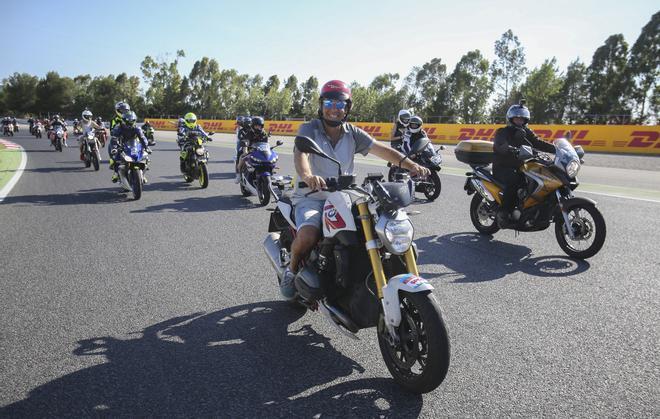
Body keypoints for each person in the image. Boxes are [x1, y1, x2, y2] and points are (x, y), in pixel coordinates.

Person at [279, 79, 431, 299]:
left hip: (344, 196)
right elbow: (300, 155)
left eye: (340, 104)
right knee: (309, 234)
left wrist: (411, 165)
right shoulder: (309, 129)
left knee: (376, 225)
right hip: (312, 196)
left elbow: (383, 151)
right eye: (329, 102)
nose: (334, 108)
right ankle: (291, 270)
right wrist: (309, 176)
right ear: (321, 105)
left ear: (347, 109)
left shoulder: (353, 133)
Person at [493, 100, 556, 227]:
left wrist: (557, 149)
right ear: (511, 119)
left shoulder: (527, 132)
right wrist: (507, 147)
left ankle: (529, 209)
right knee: (514, 181)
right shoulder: (502, 132)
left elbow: (538, 143)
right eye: (517, 119)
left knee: (540, 177)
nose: (520, 121)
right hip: (503, 167)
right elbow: (498, 146)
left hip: (521, 166)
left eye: (522, 119)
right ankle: (503, 212)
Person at [109, 111, 151, 183]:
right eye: (129, 121)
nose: (130, 123)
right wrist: (114, 147)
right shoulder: (119, 128)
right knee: (116, 157)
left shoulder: (137, 128)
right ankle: (116, 173)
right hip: (122, 145)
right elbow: (114, 138)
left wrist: (146, 147)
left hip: (134, 145)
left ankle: (143, 175)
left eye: (132, 121)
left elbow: (142, 137)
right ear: (124, 120)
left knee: (146, 157)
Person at [235, 116, 269, 182]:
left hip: (260, 150)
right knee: (241, 156)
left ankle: (270, 171)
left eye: (259, 126)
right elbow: (246, 142)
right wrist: (245, 151)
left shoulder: (264, 133)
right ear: (253, 126)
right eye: (256, 126)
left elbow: (267, 144)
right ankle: (238, 173)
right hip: (250, 150)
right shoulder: (249, 133)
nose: (258, 127)